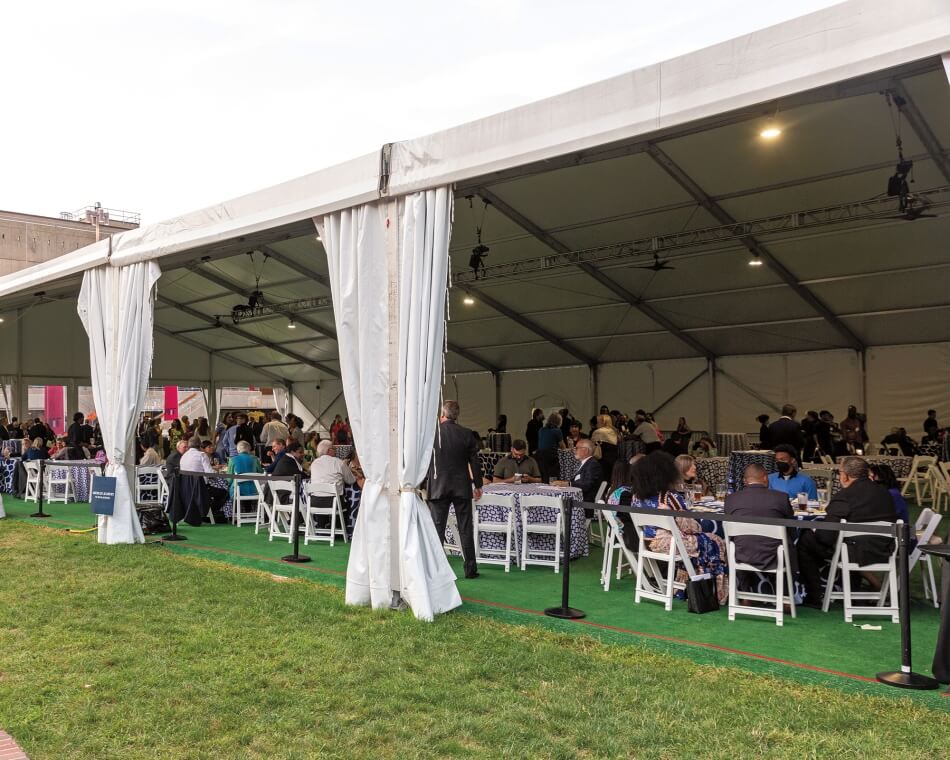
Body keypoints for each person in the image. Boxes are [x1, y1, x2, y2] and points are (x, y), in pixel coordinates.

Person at [796, 456, 898, 607]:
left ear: (845, 476)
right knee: (845, 540)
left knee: (806, 540)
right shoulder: (885, 493)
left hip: (854, 552)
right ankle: (852, 590)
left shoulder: (844, 496)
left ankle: (815, 595)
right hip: (885, 549)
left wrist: (814, 530)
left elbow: (826, 537)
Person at [631, 451, 728, 603]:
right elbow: (693, 528)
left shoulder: (636, 497)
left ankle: (684, 585)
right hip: (672, 544)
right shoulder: (669, 497)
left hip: (648, 543)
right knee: (715, 539)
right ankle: (713, 592)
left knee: (700, 543)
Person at [426, 400, 483, 579]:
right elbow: (474, 462)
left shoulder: (432, 433)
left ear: (442, 414)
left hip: (437, 485)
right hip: (461, 486)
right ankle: (470, 569)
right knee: (466, 528)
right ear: (457, 415)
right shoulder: (467, 434)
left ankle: (435, 569)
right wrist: (478, 485)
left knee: (437, 529)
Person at [724, 464, 795, 580]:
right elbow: (791, 529)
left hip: (740, 555)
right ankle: (786, 590)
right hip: (774, 557)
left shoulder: (731, 499)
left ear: (745, 481)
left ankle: (744, 591)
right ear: (765, 478)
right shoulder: (781, 497)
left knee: (738, 540)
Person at [179, 436, 228, 518]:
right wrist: (218, 472)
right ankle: (209, 513)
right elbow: (210, 473)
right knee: (224, 493)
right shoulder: (202, 455)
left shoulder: (184, 456)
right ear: (200, 445)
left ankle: (204, 512)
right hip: (200, 488)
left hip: (185, 488)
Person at [557, 438, 603, 513]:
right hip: (579, 500)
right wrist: (563, 484)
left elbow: (586, 484)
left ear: (586, 450)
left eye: (577, 448)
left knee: (557, 504)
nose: (574, 450)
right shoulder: (586, 463)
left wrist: (567, 484)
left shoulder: (593, 464)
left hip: (584, 503)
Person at [535, 412, 566, 483]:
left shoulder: (541, 430)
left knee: (543, 474)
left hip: (540, 455)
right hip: (551, 456)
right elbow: (562, 446)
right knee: (553, 475)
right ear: (559, 421)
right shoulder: (557, 431)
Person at [591, 414, 620, 479]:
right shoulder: (614, 431)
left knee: (603, 478)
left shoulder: (598, 432)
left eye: (598, 421)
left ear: (603, 422)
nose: (596, 423)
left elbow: (591, 444)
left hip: (602, 458)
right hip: (614, 458)